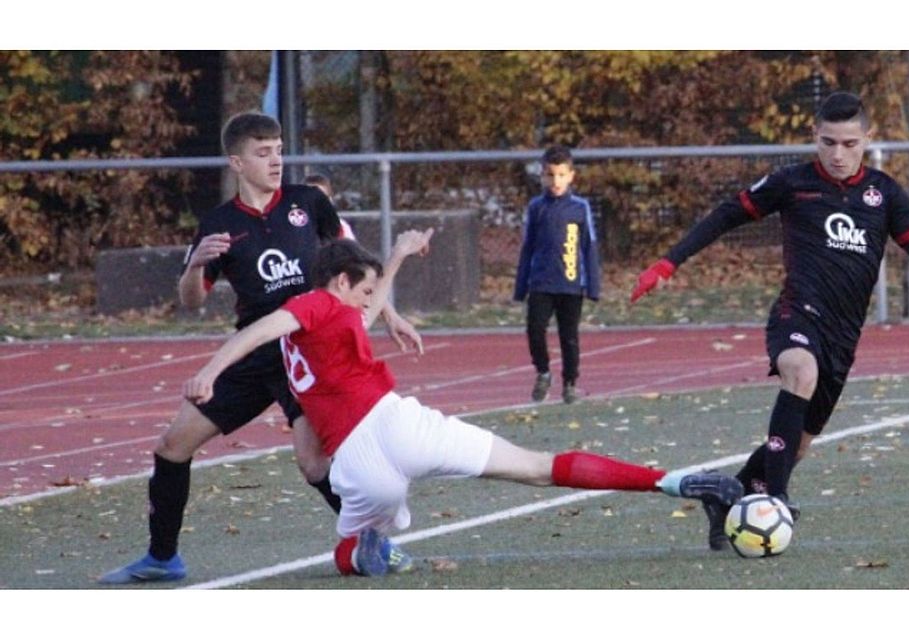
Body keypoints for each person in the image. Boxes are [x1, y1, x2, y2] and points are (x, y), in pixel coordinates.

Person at [182, 233, 744, 577]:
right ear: (339, 282)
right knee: (538, 467)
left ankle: (374, 550)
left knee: (350, 552)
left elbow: (347, 316)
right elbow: (263, 328)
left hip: (359, 462)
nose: (368, 301)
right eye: (363, 288)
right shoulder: (313, 305)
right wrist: (210, 370)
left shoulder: (320, 322)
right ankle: (679, 482)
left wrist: (396, 259)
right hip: (398, 425)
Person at [99, 112, 420, 584]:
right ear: (237, 162)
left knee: (313, 463)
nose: (276, 161)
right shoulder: (219, 223)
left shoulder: (308, 202)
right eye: (263, 152)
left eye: (279, 151)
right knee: (172, 446)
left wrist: (388, 313)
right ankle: (162, 558)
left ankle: (379, 543)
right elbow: (191, 300)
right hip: (254, 348)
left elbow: (355, 269)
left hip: (307, 349)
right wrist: (195, 265)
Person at [630, 91, 909, 551]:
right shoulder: (792, 182)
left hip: (844, 335)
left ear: (868, 138)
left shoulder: (883, 192)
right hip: (797, 312)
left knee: (797, 446)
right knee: (800, 371)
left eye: (849, 144)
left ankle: (727, 495)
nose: (838, 154)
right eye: (828, 142)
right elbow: (726, 215)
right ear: (814, 135)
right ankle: (776, 499)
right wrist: (669, 263)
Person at [514, 145, 601, 404]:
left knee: (569, 336)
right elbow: (528, 247)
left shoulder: (580, 208)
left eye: (561, 175)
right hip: (541, 283)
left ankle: (570, 382)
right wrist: (521, 286)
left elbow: (589, 246)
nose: (556, 181)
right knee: (535, 329)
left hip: (570, 284)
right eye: (550, 175)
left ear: (571, 176)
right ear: (542, 176)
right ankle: (543, 372)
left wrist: (593, 286)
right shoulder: (536, 207)